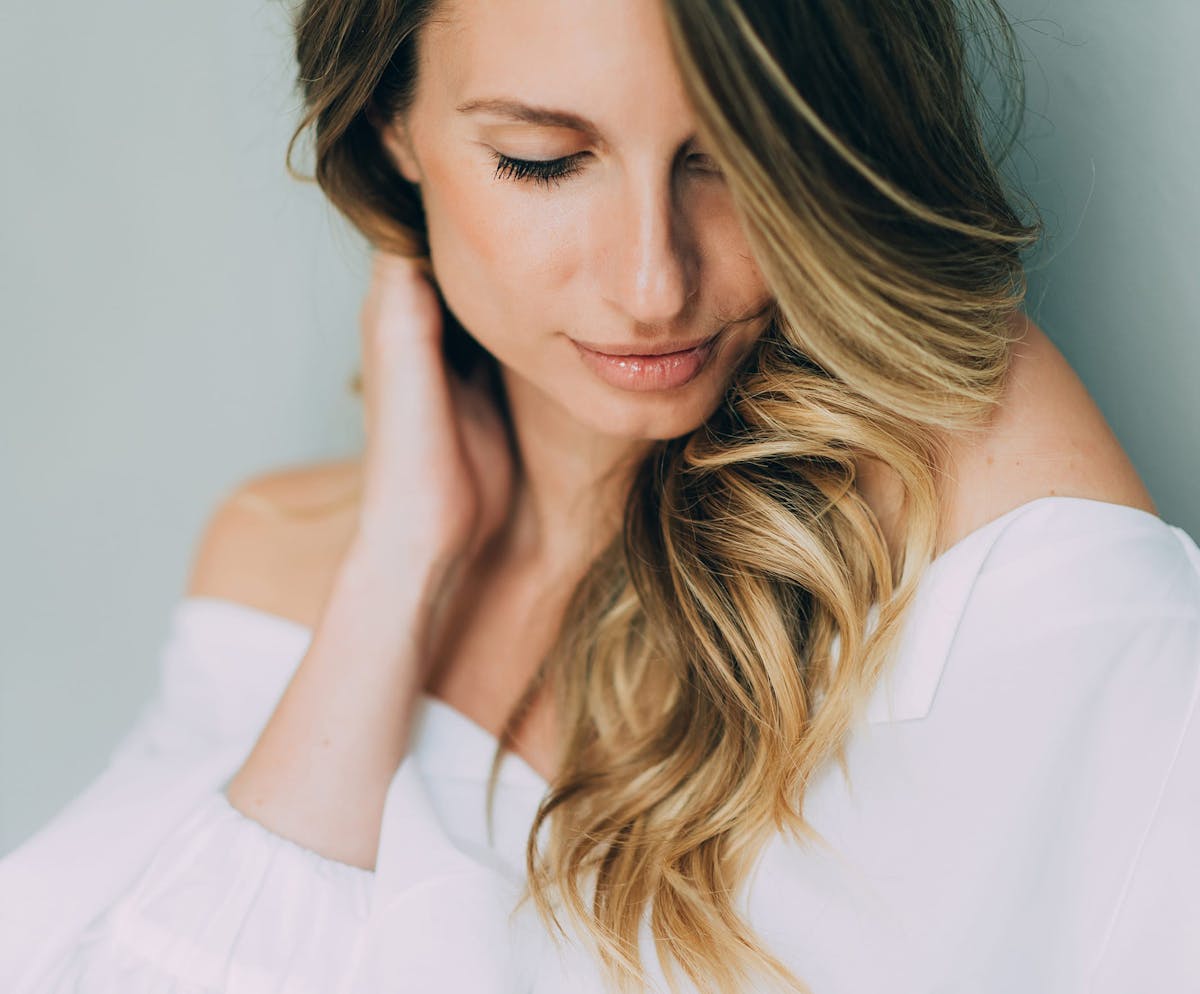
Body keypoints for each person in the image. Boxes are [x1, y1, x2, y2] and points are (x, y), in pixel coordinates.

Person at [2, 0, 1197, 991]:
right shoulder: (273, 560)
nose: (652, 283)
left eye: (735, 160)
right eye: (543, 160)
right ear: (392, 127)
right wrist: (398, 564)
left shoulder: (994, 547)